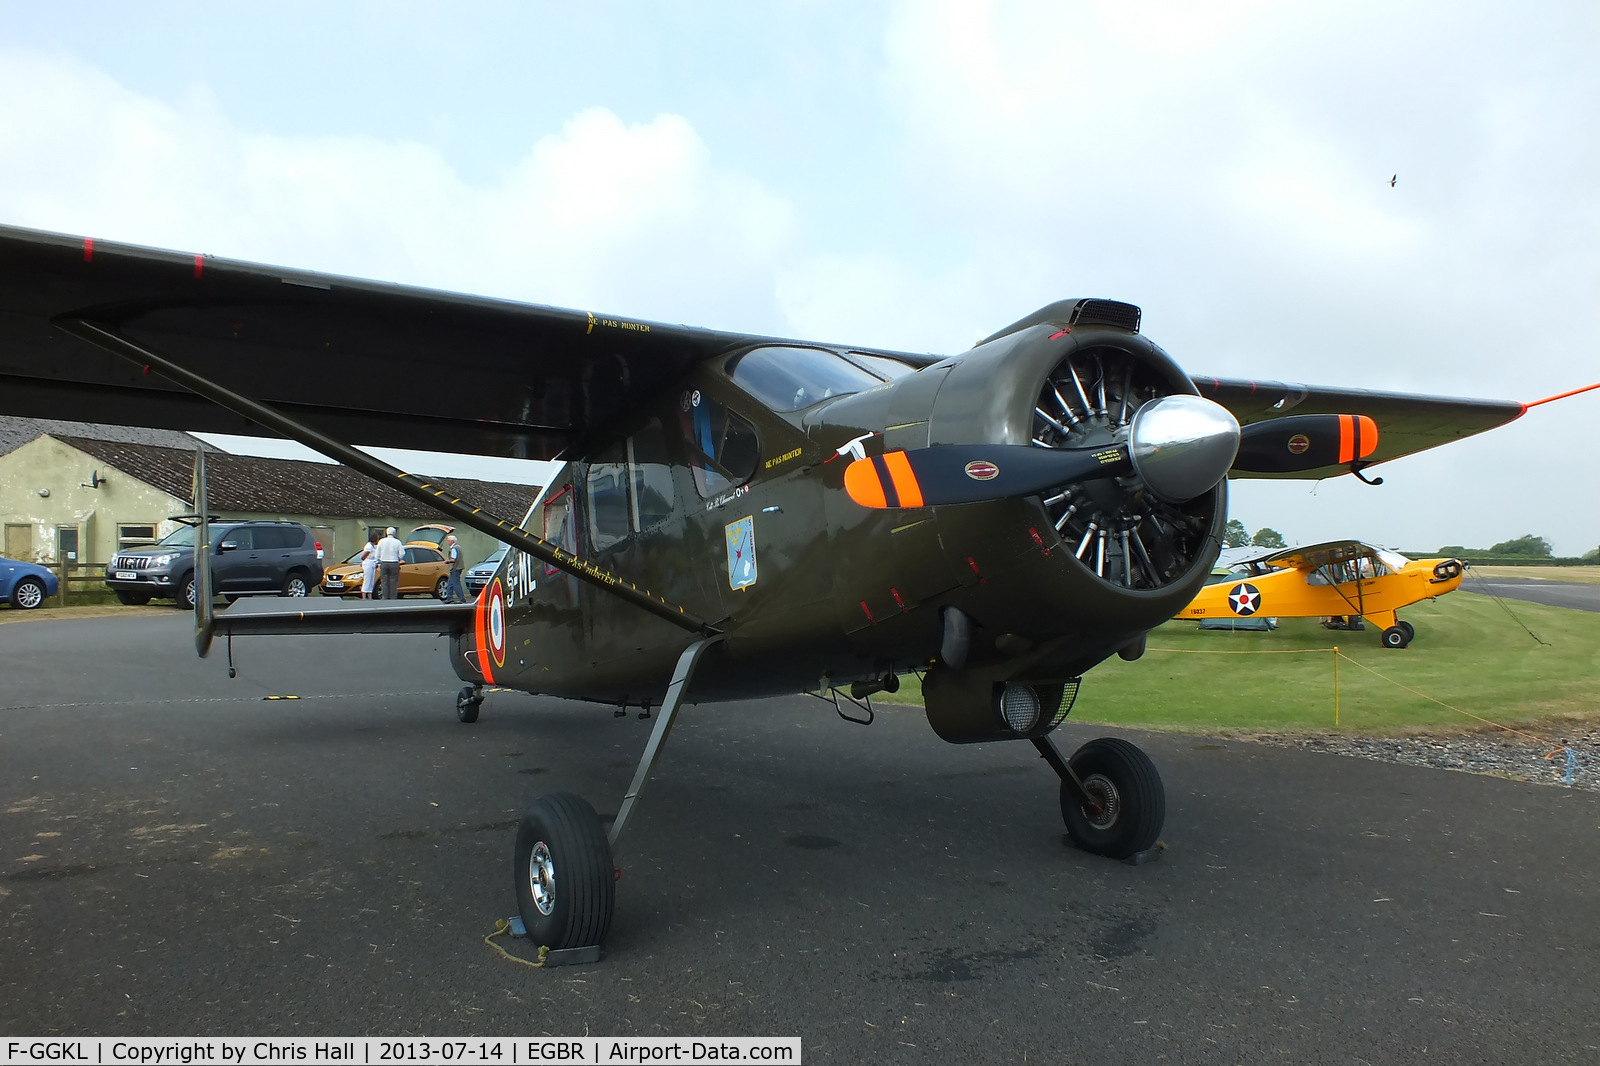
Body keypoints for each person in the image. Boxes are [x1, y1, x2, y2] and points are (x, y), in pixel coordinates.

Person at [375, 526, 404, 600]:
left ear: (386, 533)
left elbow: (377, 553)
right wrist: (399, 558)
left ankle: (385, 597)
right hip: (394, 563)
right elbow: (402, 553)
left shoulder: (381, 541)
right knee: (393, 582)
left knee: (384, 581)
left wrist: (378, 560)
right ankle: (393, 598)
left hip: (384, 562)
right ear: (394, 533)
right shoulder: (397, 542)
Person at [443, 534, 467, 603]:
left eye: (448, 540)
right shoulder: (459, 547)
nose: (447, 542)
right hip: (459, 567)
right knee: (450, 583)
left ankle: (461, 598)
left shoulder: (454, 548)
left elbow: (453, 559)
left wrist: (447, 561)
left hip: (455, 568)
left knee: (456, 583)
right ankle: (449, 598)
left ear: (452, 541)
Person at [359, 529, 380, 599]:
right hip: (368, 563)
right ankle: (364, 595)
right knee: (367, 579)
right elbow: (363, 556)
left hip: (372, 563)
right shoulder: (369, 546)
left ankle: (369, 595)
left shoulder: (374, 546)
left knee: (371, 580)